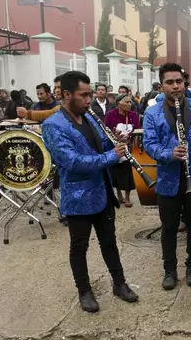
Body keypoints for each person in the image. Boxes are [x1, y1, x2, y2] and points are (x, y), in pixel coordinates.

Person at [41, 71, 138, 313]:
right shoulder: (53, 125)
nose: (88, 100)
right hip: (78, 197)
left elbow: (101, 145)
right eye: (83, 95)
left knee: (109, 242)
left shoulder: (91, 118)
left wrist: (114, 140)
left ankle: (119, 283)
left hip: (103, 191)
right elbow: (72, 162)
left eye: (90, 95)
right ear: (66, 95)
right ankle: (84, 291)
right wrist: (111, 155)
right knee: (79, 246)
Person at [143, 63, 191, 290]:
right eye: (170, 82)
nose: (175, 86)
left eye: (179, 81)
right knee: (169, 228)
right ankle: (170, 270)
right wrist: (168, 153)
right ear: (161, 85)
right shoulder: (152, 112)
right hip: (168, 179)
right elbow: (148, 144)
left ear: (184, 83)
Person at [104, 94, 140, 207]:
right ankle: (118, 193)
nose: (130, 104)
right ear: (119, 103)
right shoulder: (111, 115)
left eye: (131, 102)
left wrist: (129, 137)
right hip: (114, 147)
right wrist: (116, 138)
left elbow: (137, 129)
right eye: (127, 102)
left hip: (128, 147)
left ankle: (128, 196)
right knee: (116, 171)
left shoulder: (133, 115)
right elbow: (105, 130)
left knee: (127, 172)